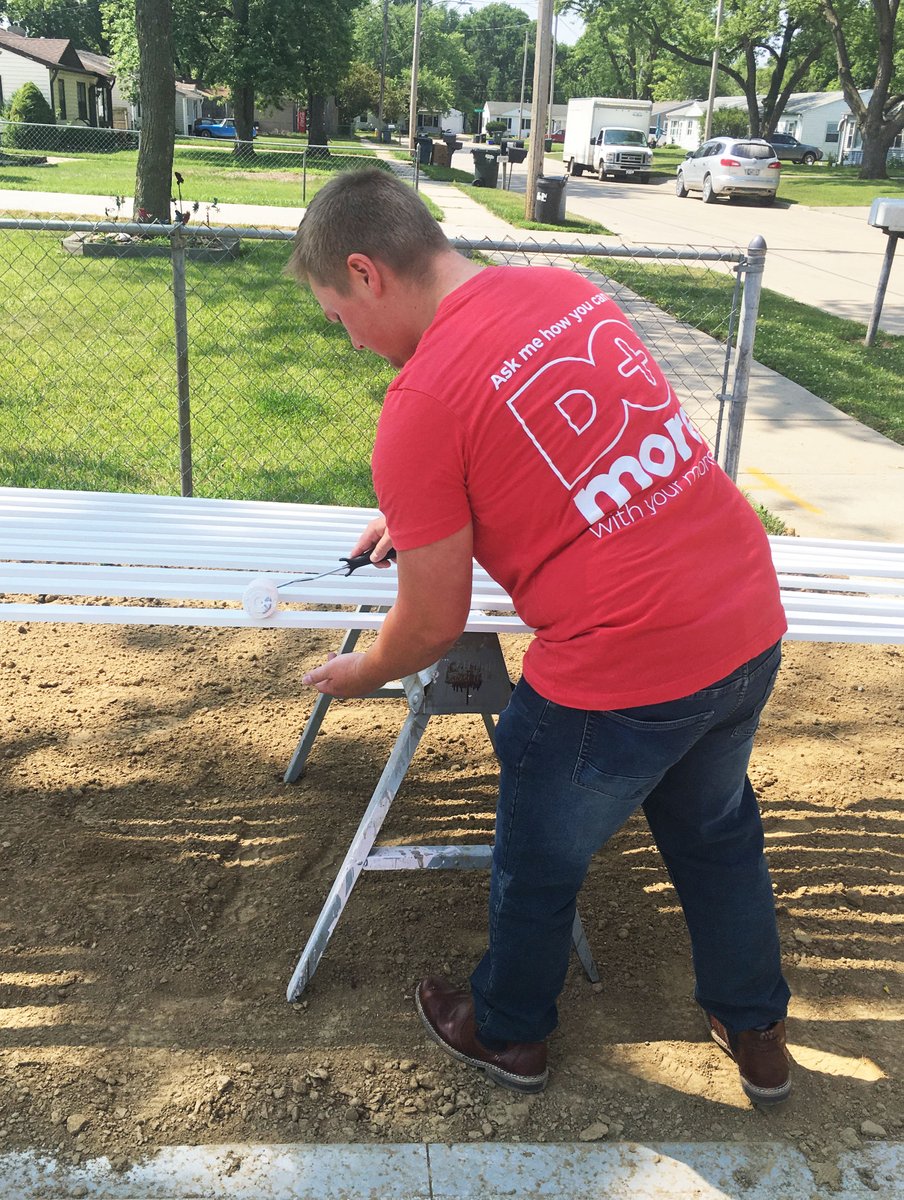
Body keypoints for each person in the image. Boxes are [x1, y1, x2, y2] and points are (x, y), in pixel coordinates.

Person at [288, 168, 792, 1106]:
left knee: (538, 858)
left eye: (337, 314)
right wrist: (425, 509)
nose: (350, 341)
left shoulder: (420, 405)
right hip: (744, 621)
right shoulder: (562, 290)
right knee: (717, 833)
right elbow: (573, 448)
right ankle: (756, 1030)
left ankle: (510, 1032)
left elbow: (432, 623)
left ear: (366, 273)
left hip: (623, 670)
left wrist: (366, 670)